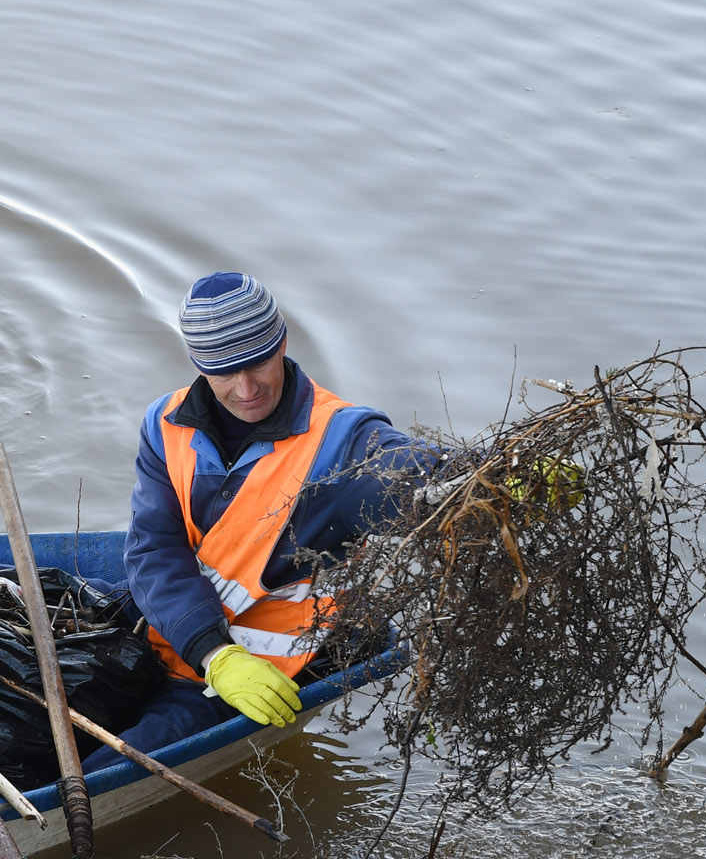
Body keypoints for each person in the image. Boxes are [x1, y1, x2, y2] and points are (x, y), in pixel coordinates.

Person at [89, 272, 446, 766]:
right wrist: (213, 653)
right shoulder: (165, 423)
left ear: (280, 342)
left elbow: (409, 474)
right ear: (199, 366)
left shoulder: (342, 442)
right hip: (175, 634)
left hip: (259, 673)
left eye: (257, 362)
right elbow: (153, 549)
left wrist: (488, 481)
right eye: (224, 371)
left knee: (104, 767)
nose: (246, 388)